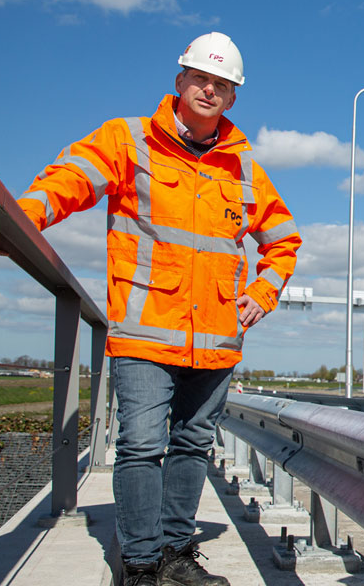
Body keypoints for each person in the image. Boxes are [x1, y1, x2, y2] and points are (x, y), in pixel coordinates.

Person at [17, 32, 301, 585]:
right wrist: (22, 219)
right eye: (201, 78)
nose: (209, 90)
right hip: (145, 333)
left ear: (233, 97)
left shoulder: (242, 167)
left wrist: (263, 292)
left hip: (216, 339)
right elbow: (71, 179)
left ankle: (175, 557)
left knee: (192, 445)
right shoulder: (129, 140)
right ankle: (142, 564)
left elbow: (284, 240)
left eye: (221, 84)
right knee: (142, 445)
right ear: (180, 81)